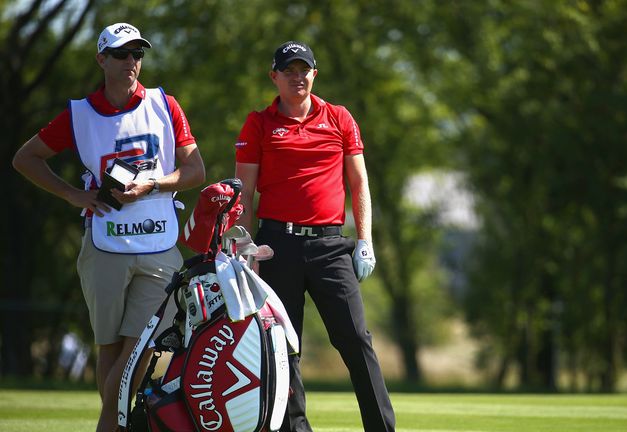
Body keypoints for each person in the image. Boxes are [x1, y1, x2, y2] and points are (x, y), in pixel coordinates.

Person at [12, 22, 205, 432]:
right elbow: (25, 158)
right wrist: (71, 194)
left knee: (143, 344)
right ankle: (120, 424)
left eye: (137, 53)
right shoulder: (79, 114)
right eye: (121, 54)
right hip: (104, 242)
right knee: (110, 348)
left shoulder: (165, 104)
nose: (131, 61)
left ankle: (108, 426)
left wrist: (154, 184)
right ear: (101, 59)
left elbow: (195, 170)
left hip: (158, 242)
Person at [234, 41, 395, 432]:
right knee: (283, 348)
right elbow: (244, 192)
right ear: (274, 76)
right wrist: (244, 249)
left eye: (303, 69)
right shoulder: (259, 123)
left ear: (314, 74)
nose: (297, 77)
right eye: (288, 70)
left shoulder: (338, 117)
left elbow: (359, 184)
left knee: (356, 338)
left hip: (330, 246)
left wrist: (365, 240)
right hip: (275, 246)